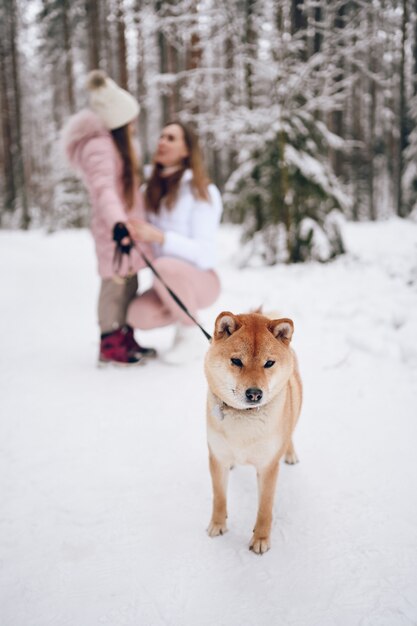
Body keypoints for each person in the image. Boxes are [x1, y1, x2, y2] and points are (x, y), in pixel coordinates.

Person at [62, 70, 156, 366]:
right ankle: (109, 342)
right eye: (129, 119)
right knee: (114, 284)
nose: (133, 124)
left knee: (129, 283)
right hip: (113, 230)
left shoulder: (116, 145)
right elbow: (103, 190)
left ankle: (125, 336)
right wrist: (118, 223)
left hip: (125, 229)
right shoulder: (98, 146)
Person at [126, 121, 223, 363]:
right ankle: (184, 321)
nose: (162, 142)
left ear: (186, 150)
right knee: (137, 315)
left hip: (203, 281)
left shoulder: (202, 191)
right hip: (165, 283)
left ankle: (191, 334)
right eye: (161, 136)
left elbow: (206, 254)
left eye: (171, 138)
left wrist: (160, 237)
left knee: (165, 265)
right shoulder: (149, 191)